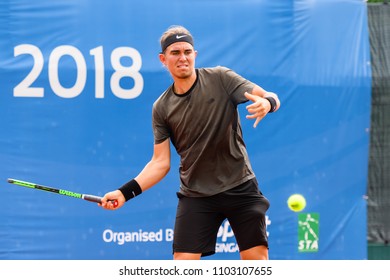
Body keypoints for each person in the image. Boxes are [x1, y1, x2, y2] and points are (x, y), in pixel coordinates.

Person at [100, 25, 280, 260]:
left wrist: (267, 103)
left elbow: (271, 96)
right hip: (196, 195)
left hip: (240, 186)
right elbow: (160, 163)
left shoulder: (221, 78)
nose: (182, 57)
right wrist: (124, 193)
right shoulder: (162, 108)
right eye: (175, 52)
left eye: (187, 51)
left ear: (195, 54)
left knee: (257, 263)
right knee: (183, 265)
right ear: (163, 59)